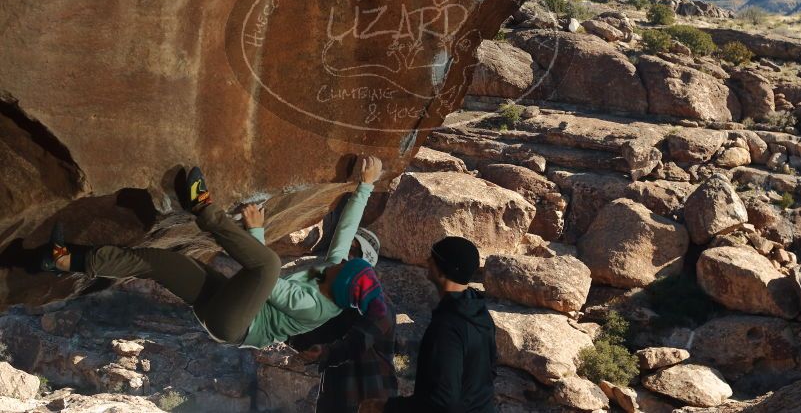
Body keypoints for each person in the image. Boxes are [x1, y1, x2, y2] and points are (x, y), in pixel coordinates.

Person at [40, 156, 386, 349]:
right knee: (163, 263)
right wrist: (366, 184)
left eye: (346, 266)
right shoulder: (336, 273)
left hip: (235, 324)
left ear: (342, 288)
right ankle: (66, 261)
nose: (340, 262)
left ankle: (203, 208)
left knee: (269, 265)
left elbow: (264, 276)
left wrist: (257, 232)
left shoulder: (314, 307)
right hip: (227, 302)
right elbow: (345, 231)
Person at [361, 236, 497, 413]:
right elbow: (488, 373)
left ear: (442, 271)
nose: (427, 261)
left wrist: (386, 407)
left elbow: (442, 401)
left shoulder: (448, 326)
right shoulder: (479, 313)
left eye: (432, 259)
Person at [289, 227, 397, 413]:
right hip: (336, 399)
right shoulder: (335, 302)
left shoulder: (379, 306)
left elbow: (355, 342)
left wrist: (323, 352)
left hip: (370, 403)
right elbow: (308, 339)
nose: (343, 258)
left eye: (351, 251)